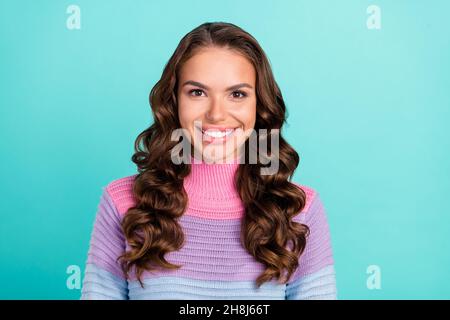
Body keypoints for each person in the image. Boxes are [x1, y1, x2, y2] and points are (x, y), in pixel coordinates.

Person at [81, 21, 337, 300]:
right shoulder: (123, 203)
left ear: (259, 105)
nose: (216, 114)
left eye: (237, 94)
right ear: (174, 101)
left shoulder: (299, 209)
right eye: (197, 92)